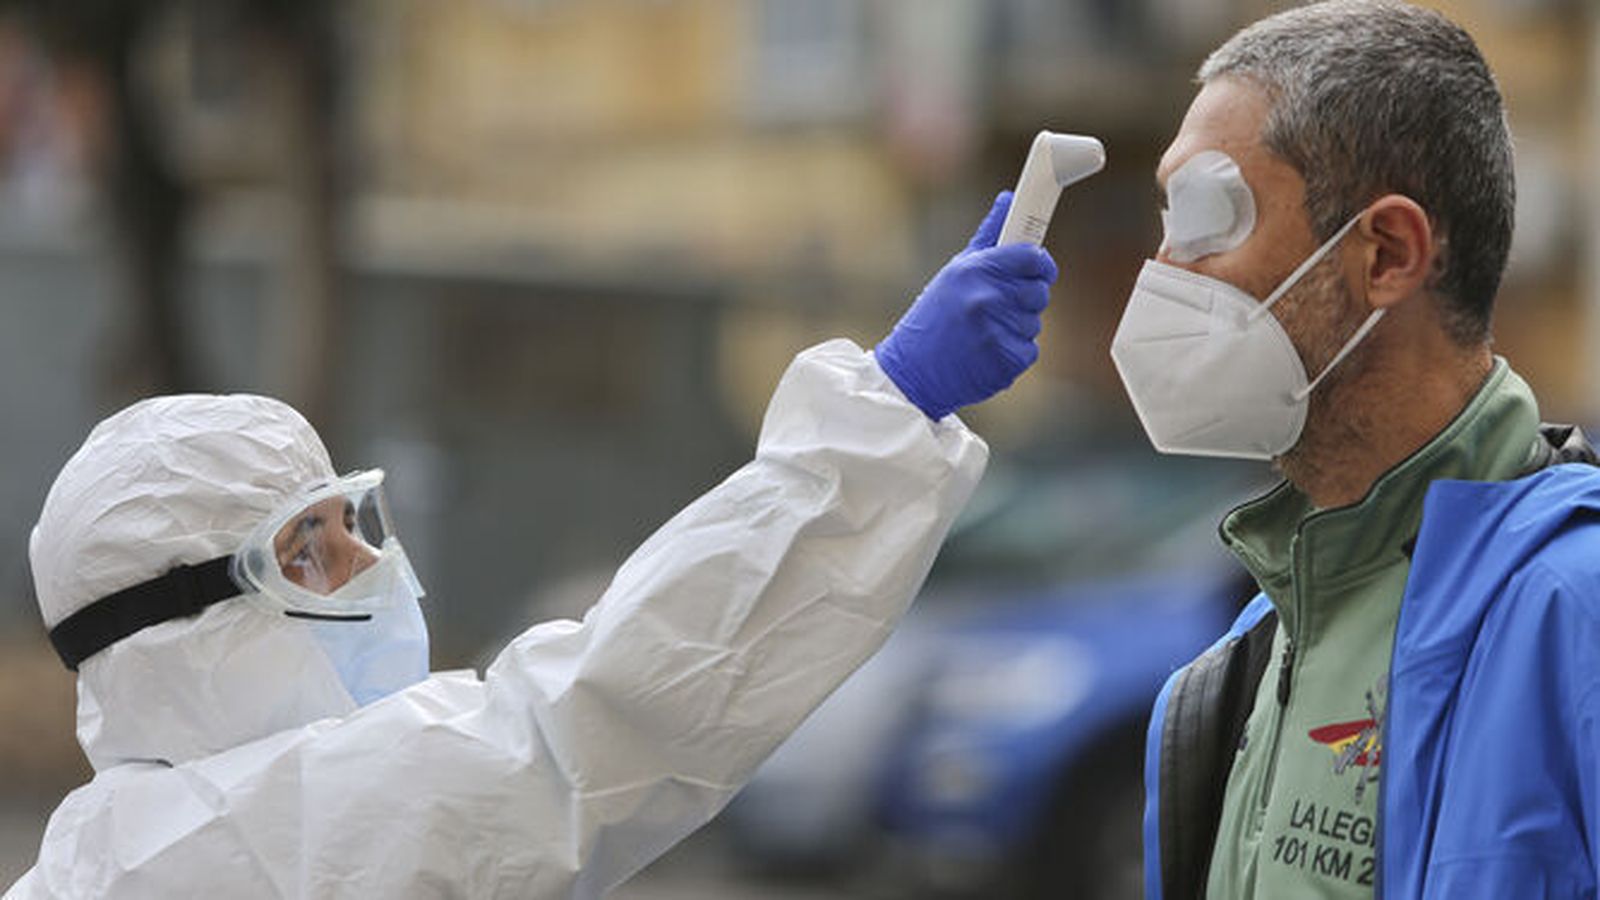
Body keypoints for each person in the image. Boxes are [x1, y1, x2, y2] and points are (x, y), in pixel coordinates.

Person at [5, 193, 1059, 899]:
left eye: (350, 524)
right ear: (179, 635)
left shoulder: (110, 853)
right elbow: (591, 728)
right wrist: (888, 409)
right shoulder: (229, 846)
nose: (370, 567)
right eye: (305, 552)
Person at [1120, 2, 1600, 898]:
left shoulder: (1576, 613)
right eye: (1167, 221)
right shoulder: (1253, 648)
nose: (1163, 272)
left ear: (1386, 254)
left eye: (1206, 218)